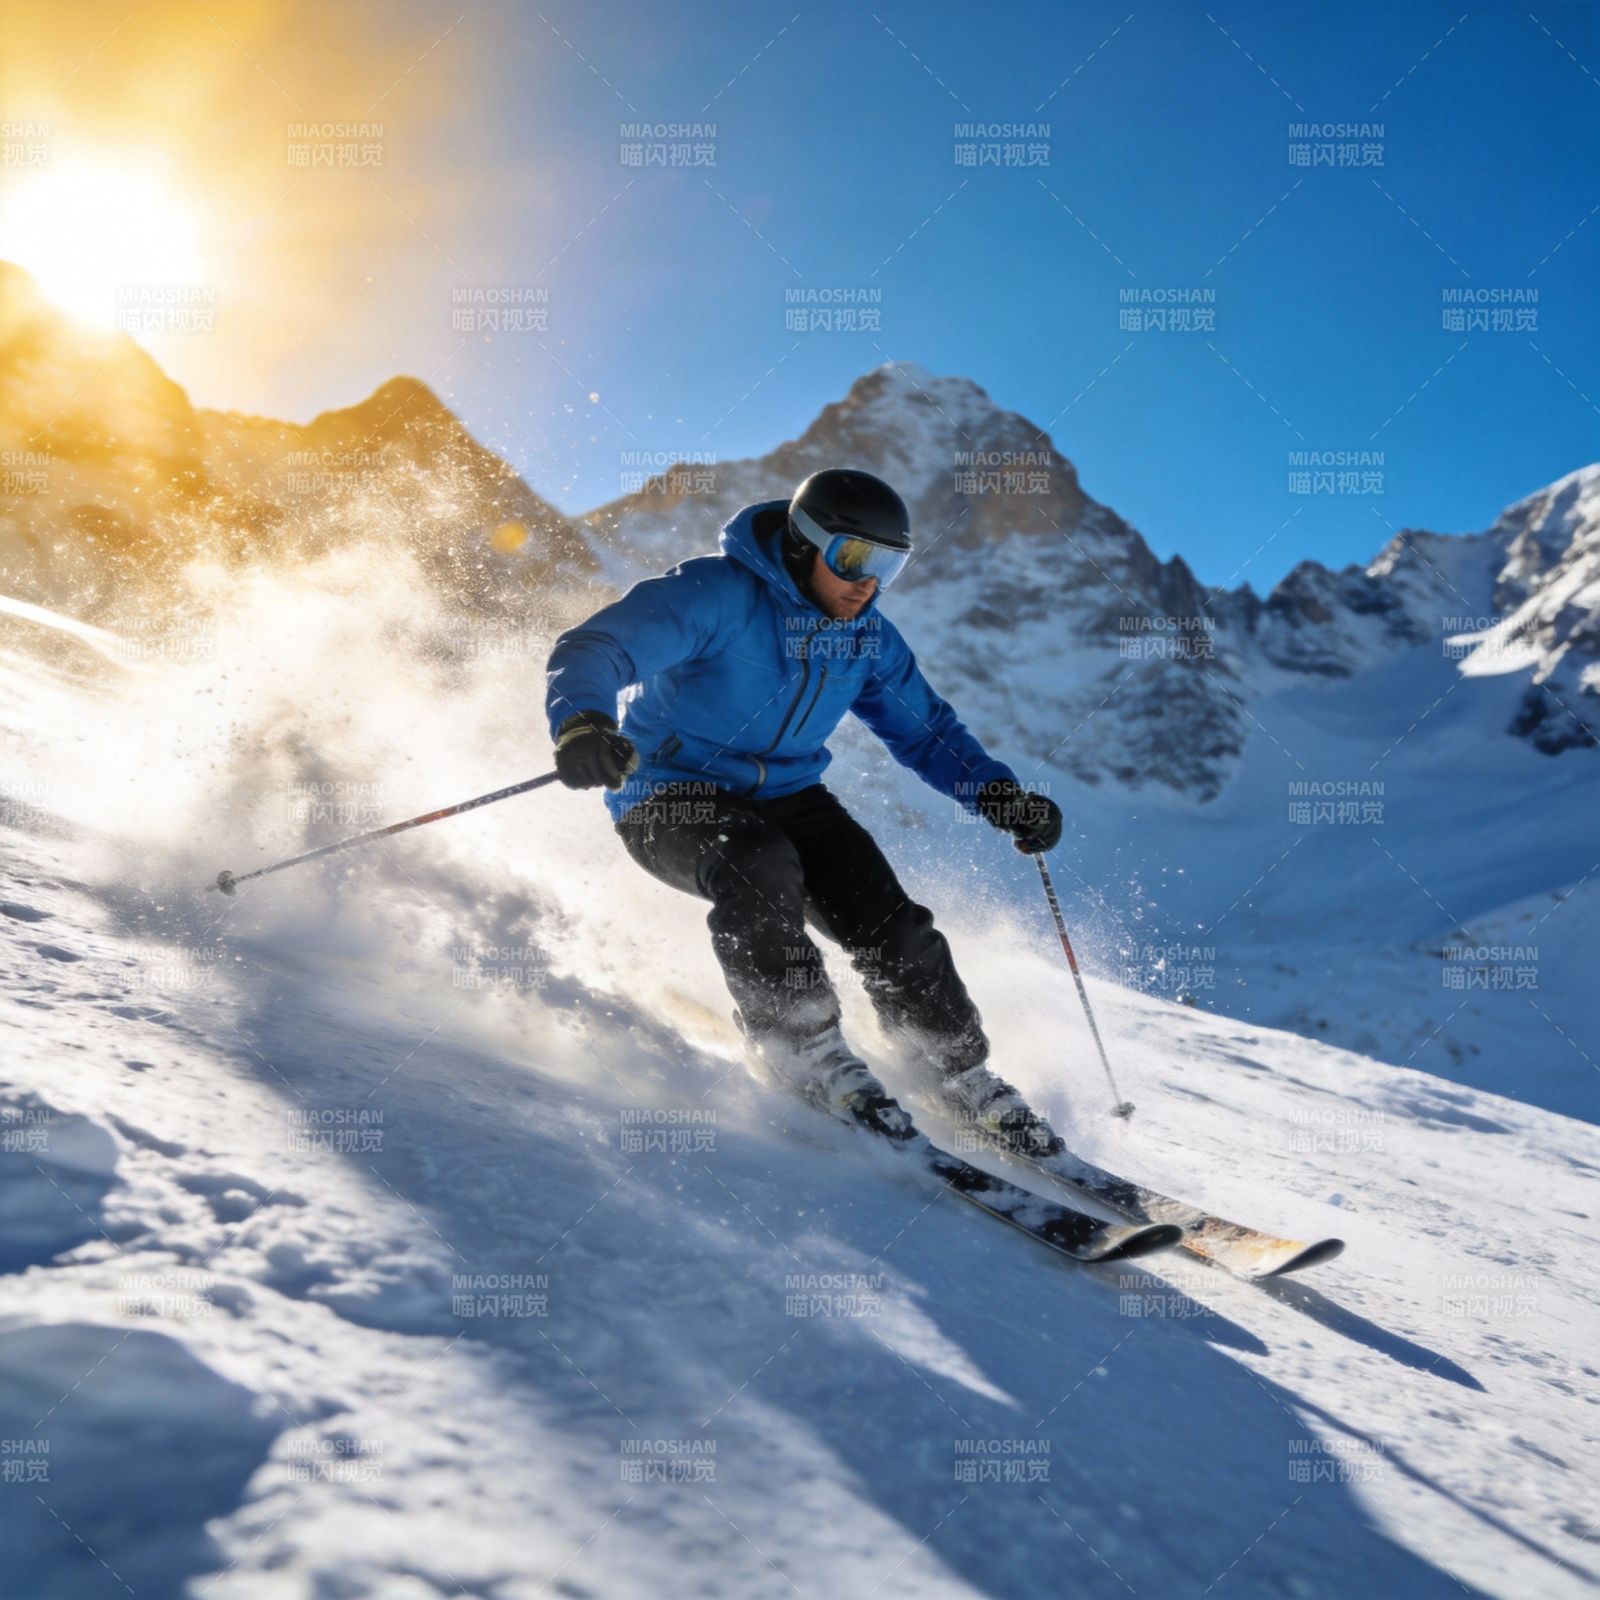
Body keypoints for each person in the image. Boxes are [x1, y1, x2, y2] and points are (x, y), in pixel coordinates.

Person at [545, 468, 1064, 1150]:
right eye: (854, 558)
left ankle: (953, 1069)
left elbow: (926, 731)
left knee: (890, 921)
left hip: (789, 793)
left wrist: (996, 793)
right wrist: (584, 723)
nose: (868, 582)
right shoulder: (717, 594)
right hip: (668, 790)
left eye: (890, 565)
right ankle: (800, 1047)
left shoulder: (867, 637)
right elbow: (598, 646)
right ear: (803, 543)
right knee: (757, 861)